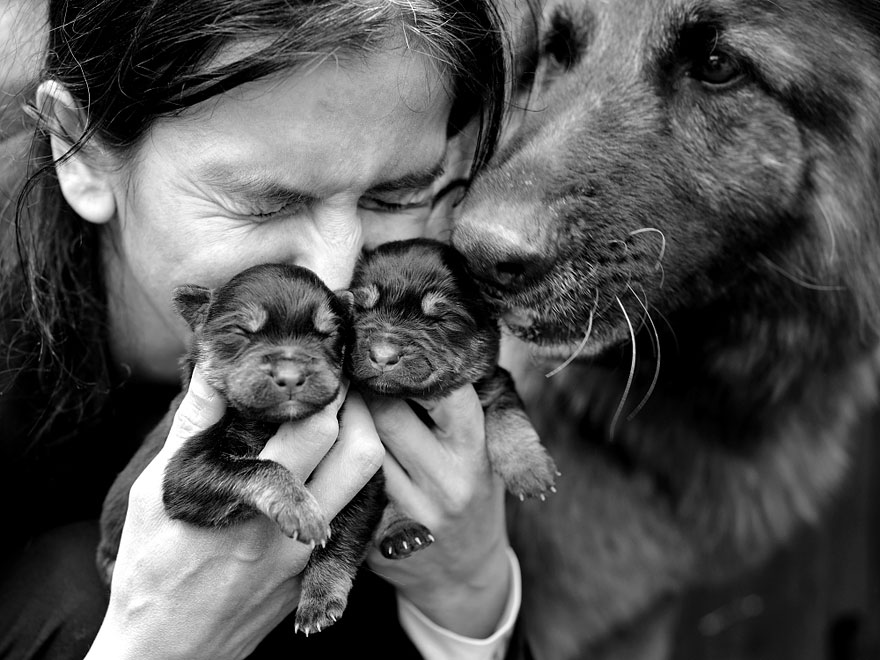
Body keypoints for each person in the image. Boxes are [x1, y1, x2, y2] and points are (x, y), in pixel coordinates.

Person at [0, 1, 525, 658]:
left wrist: (468, 589)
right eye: (266, 202)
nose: (338, 271)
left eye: (395, 196)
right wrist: (154, 644)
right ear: (81, 150)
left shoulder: (432, 325)